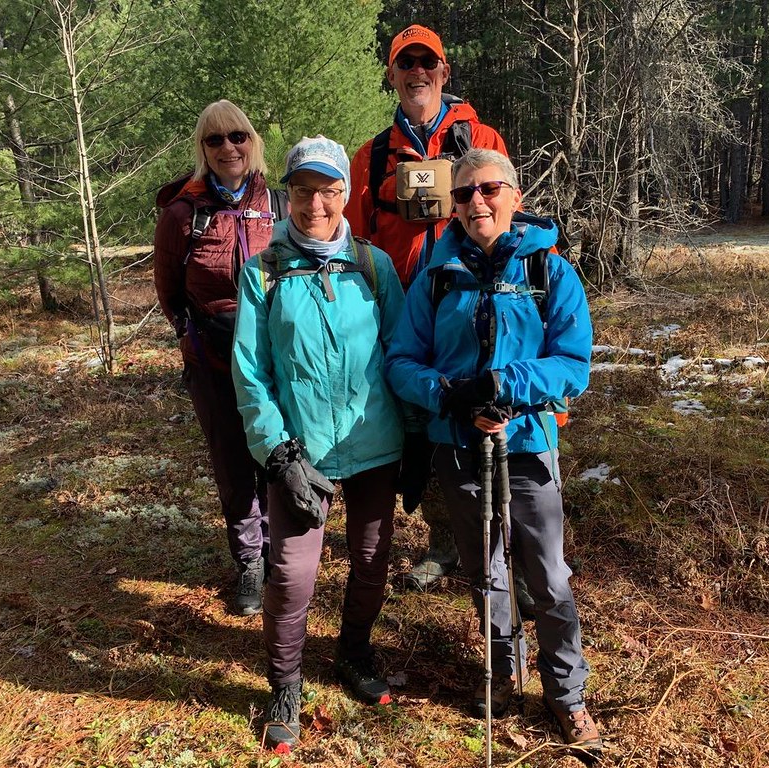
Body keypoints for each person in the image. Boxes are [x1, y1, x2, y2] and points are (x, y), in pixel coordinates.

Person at [385, 149, 602, 755]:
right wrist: (451, 396)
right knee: (487, 573)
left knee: (549, 577)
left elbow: (573, 364)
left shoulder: (549, 271)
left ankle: (568, 694)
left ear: (514, 195)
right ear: (451, 204)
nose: (475, 202)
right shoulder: (436, 270)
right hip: (459, 446)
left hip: (528, 446)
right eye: (463, 194)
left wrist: (507, 387)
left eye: (487, 190)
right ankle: (504, 670)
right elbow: (402, 361)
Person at [231, 135, 405, 754]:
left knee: (370, 562)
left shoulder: (374, 266)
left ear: (345, 195)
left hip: (375, 448)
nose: (316, 205)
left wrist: (413, 444)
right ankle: (285, 685)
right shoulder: (265, 272)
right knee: (292, 575)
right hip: (300, 454)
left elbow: (401, 356)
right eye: (303, 192)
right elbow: (251, 373)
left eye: (329, 191)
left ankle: (353, 651)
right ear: (289, 195)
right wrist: (278, 451)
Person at [344, 23, 524, 602]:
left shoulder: (480, 136)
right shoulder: (370, 157)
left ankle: (481, 547)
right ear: (391, 76)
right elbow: (354, 241)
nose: (417, 72)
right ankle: (428, 537)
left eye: (429, 62)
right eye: (406, 64)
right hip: (400, 312)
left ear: (444, 72)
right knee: (414, 426)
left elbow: (507, 218)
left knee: (472, 419)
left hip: (469, 306)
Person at [153, 100, 284, 616]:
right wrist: (191, 337)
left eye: (237, 137)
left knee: (275, 453)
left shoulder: (277, 202)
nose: (229, 147)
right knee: (232, 461)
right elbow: (169, 290)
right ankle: (249, 561)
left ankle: (280, 551)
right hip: (213, 357)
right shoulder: (183, 212)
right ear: (202, 150)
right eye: (215, 140)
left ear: (252, 142)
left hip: (275, 358)